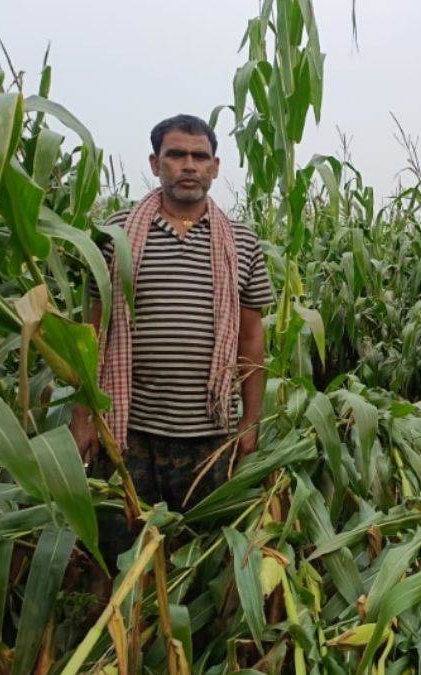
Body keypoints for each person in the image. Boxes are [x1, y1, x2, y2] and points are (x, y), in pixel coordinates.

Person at [70, 114, 274, 518]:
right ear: (154, 163)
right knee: (118, 550)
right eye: (176, 154)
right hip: (128, 430)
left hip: (210, 436)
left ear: (215, 168)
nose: (189, 165)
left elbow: (251, 338)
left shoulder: (242, 241)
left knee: (197, 551)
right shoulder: (115, 235)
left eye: (200, 156)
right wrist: (83, 417)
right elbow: (91, 333)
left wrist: (250, 421)